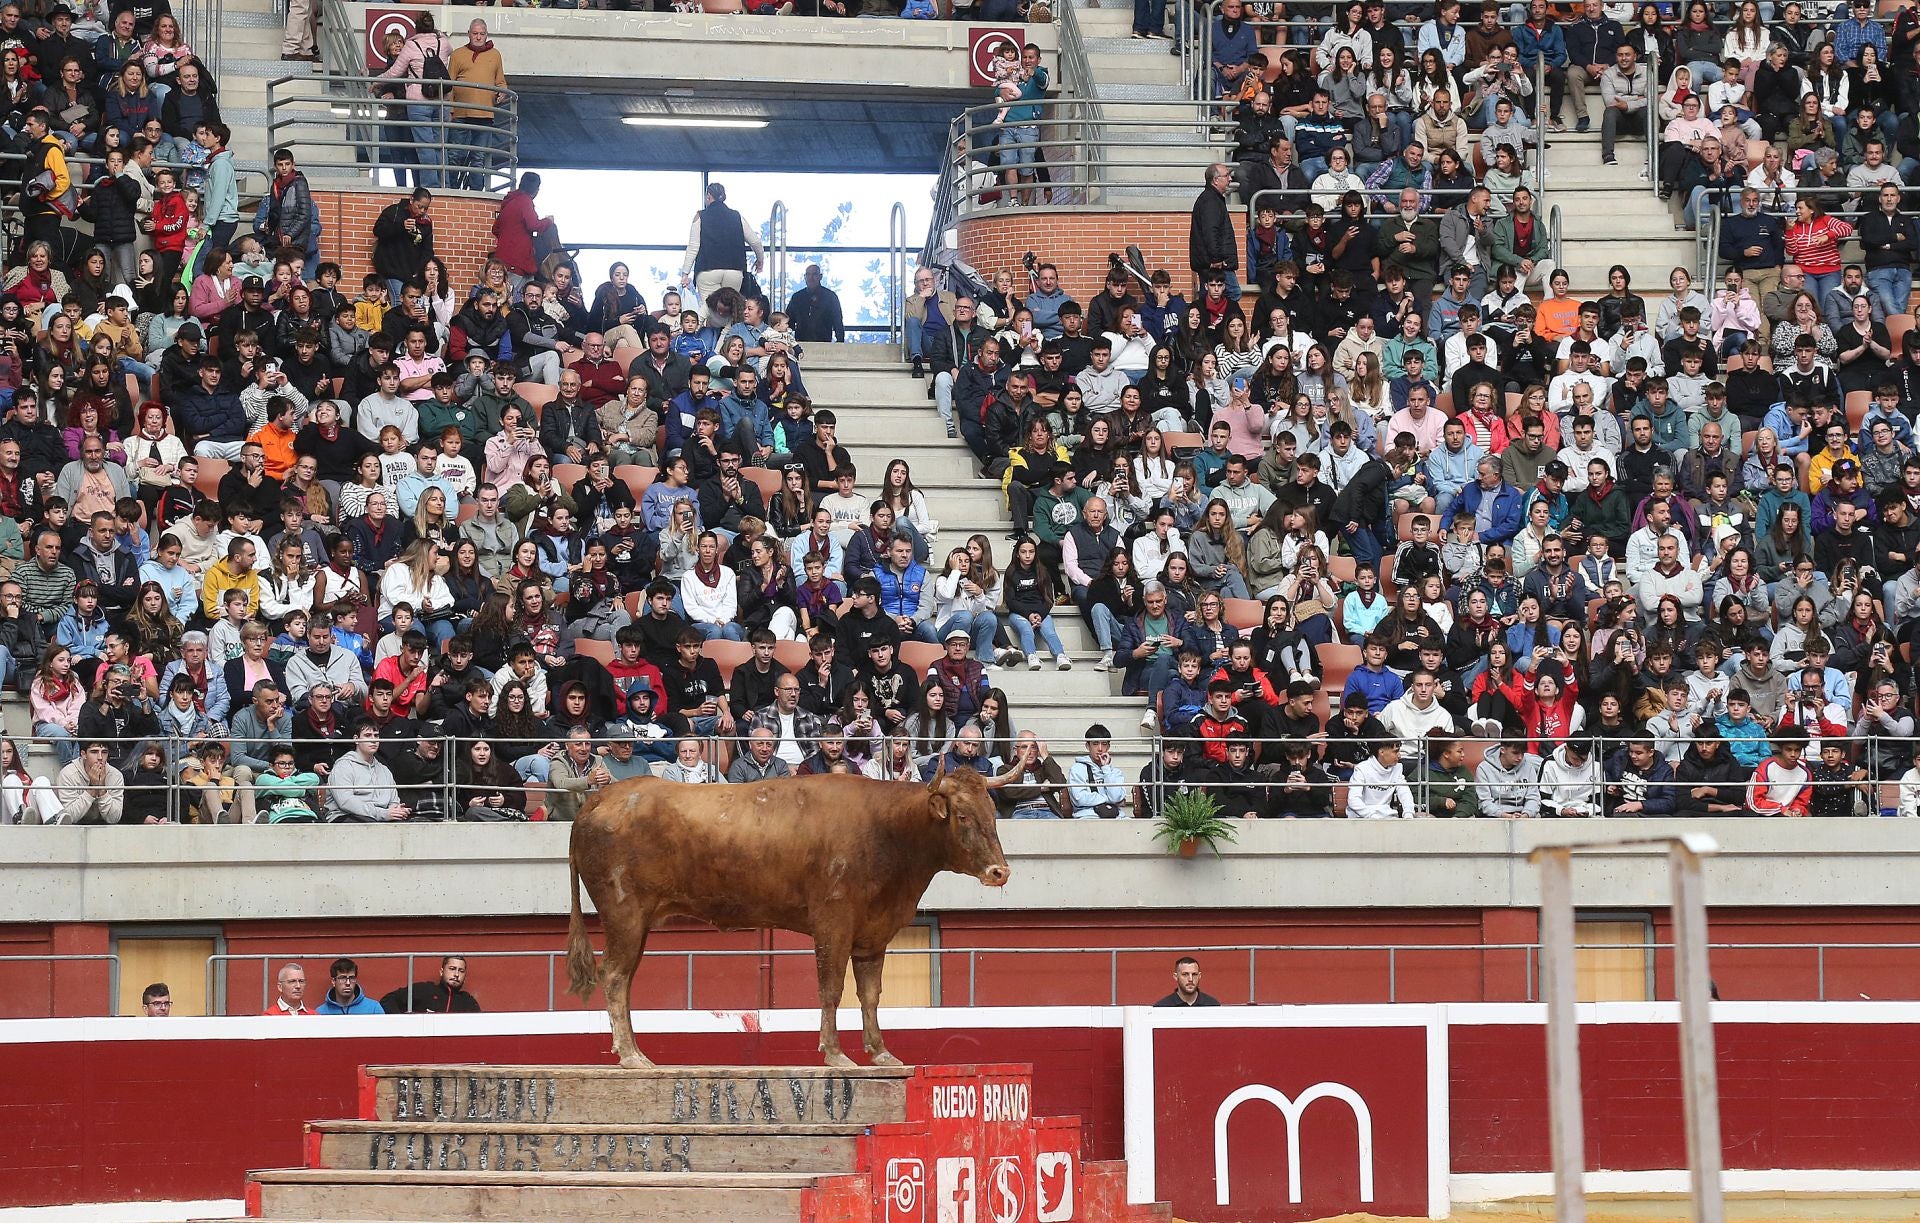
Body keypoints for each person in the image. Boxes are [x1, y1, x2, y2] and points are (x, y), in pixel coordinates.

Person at [681, 182, 764, 308]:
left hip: (707, 269)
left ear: (708, 196)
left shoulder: (700, 216)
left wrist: (685, 274)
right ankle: (728, 328)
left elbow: (693, 247)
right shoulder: (736, 216)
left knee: (709, 310)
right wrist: (760, 260)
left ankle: (710, 328)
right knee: (729, 310)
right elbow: (755, 242)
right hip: (734, 270)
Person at [380, 954, 481, 1014]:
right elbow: (387, 1000)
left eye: (461, 971)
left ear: (465, 977)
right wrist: (404, 1022)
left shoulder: (467, 1001)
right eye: (452, 969)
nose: (456, 974)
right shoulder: (424, 990)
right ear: (441, 972)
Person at [1067, 724, 1128, 818]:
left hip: (1115, 816)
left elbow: (1115, 797)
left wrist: (1106, 769)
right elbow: (1079, 799)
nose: (1100, 749)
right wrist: (1108, 799)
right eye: (1095, 744)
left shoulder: (1115, 772)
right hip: (1088, 816)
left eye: (1104, 744)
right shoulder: (1077, 769)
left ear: (1108, 747)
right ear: (1087, 746)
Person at [314, 957, 384, 1016]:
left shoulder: (374, 1009)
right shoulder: (320, 1013)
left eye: (352, 978)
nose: (348, 983)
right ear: (333, 981)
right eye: (342, 978)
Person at [1153, 956, 1221, 1006]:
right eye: (1185, 974)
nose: (1190, 979)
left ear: (1199, 976)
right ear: (1176, 977)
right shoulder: (1162, 1007)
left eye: (1194, 974)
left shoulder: (1212, 1005)